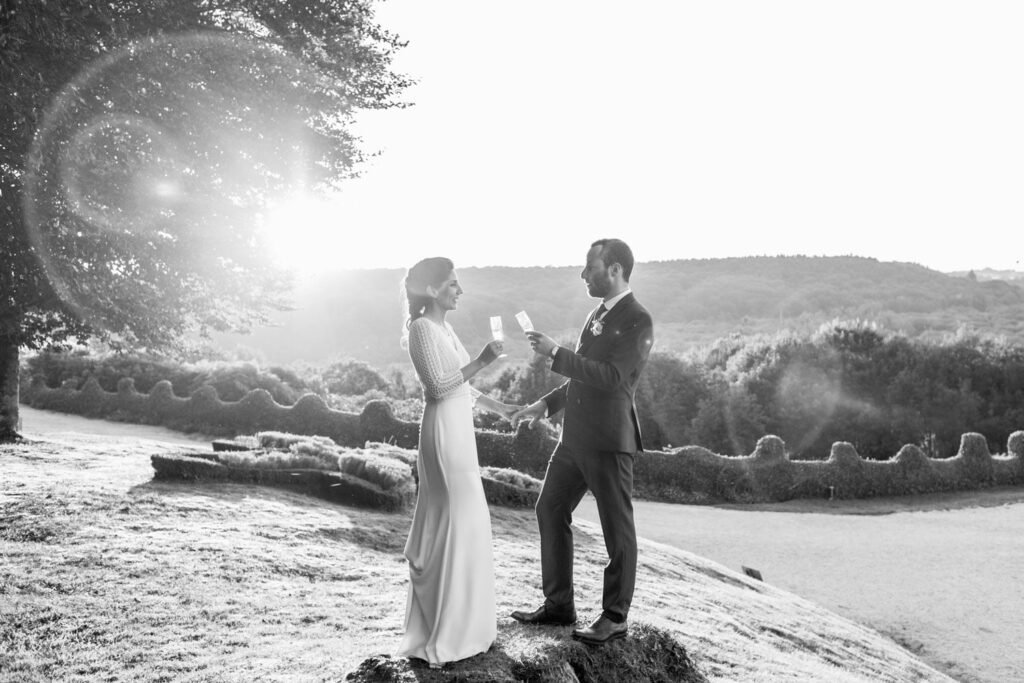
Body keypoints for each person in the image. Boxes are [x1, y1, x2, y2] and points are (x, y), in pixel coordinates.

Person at [510, 238, 654, 645]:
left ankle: (614, 617)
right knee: (549, 508)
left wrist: (556, 352)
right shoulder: (598, 313)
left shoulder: (638, 319)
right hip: (574, 439)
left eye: (590, 267)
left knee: (617, 530)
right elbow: (583, 375)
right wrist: (545, 404)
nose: (583, 274)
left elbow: (611, 377)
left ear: (615, 270)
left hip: (608, 440)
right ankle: (559, 606)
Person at [397, 256, 520, 668]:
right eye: (452, 284)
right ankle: (443, 632)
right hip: (443, 434)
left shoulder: (445, 328)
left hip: (461, 431)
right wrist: (484, 360)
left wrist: (501, 408)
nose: (459, 290)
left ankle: (471, 627)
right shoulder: (420, 329)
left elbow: (462, 388)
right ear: (431, 290)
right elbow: (438, 387)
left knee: (470, 521)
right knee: (454, 519)